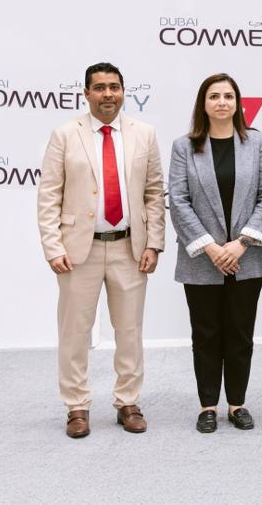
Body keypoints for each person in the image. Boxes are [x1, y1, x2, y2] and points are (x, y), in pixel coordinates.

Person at [37, 62, 166, 438]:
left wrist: (154, 242)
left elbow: (154, 193)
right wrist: (53, 246)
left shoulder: (144, 134)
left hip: (130, 248)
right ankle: (76, 406)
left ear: (123, 91)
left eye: (114, 87)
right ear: (86, 93)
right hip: (79, 251)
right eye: (99, 87)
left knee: (130, 330)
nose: (108, 94)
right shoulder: (65, 135)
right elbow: (49, 195)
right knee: (74, 332)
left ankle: (128, 402)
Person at [168, 73, 262, 433]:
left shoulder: (257, 143)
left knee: (240, 333)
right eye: (214, 96)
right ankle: (208, 406)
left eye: (228, 96)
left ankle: (237, 404)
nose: (221, 102)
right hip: (202, 258)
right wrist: (212, 247)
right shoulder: (184, 146)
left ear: (237, 103)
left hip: (247, 256)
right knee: (205, 334)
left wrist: (241, 243)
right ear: (203, 103)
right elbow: (178, 200)